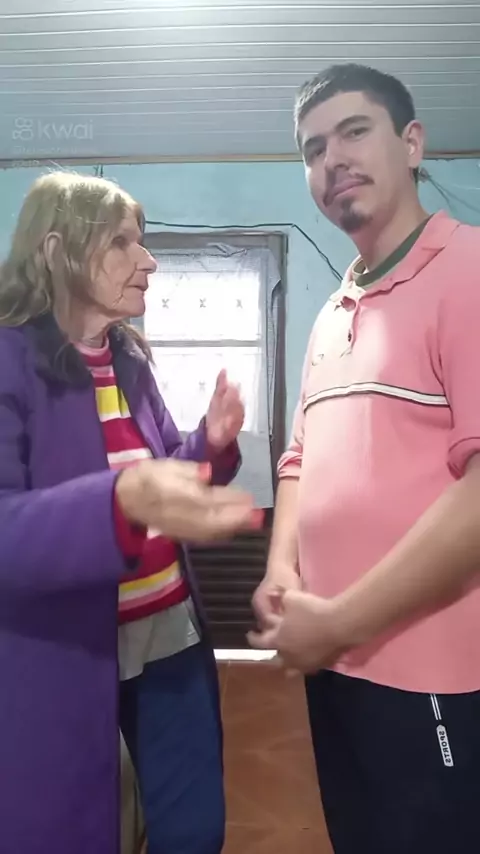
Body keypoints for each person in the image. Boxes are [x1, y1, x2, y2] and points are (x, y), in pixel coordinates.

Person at [250, 64, 480, 853]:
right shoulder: (332, 309)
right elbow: (298, 460)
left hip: (433, 676)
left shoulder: (468, 271)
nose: (332, 159)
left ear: (412, 143)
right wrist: (282, 569)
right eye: (313, 148)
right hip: (337, 664)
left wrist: (340, 621)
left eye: (354, 132)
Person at [0, 170, 262, 854]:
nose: (147, 261)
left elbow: (166, 469)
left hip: (169, 633)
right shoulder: (7, 360)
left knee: (194, 830)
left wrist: (211, 444)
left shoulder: (130, 361)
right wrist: (121, 500)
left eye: (142, 242)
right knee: (76, 827)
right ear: (56, 250)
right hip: (66, 651)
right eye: (122, 242)